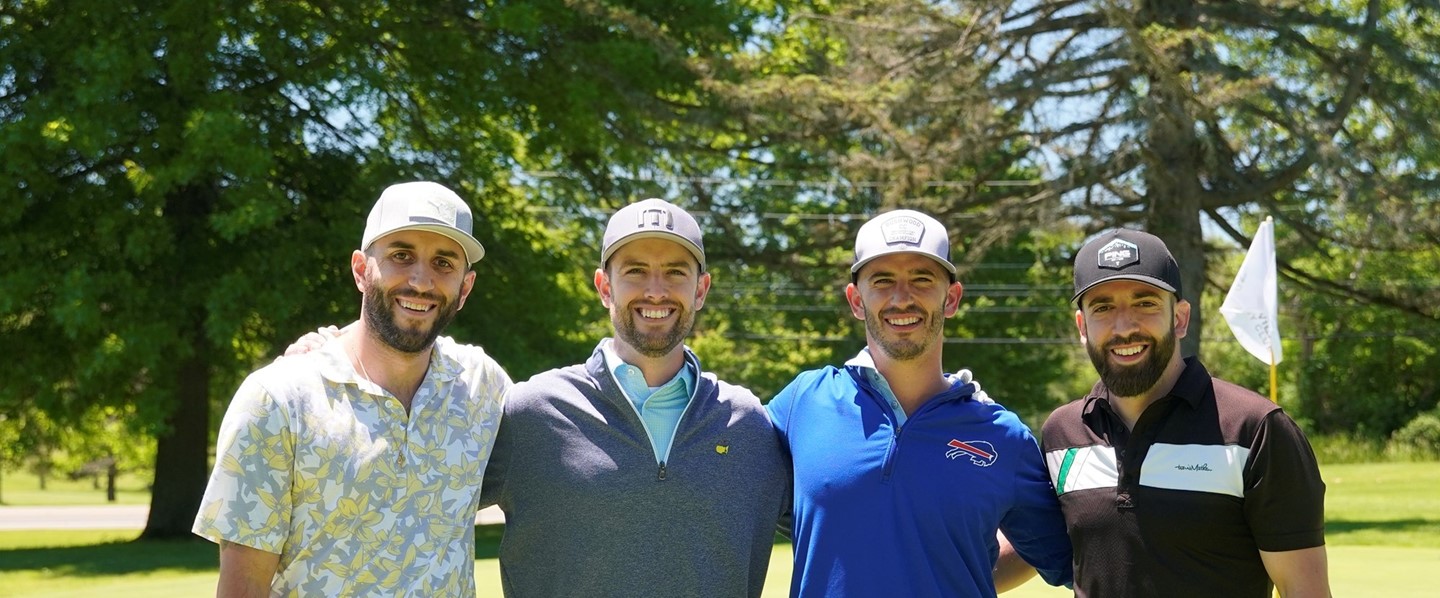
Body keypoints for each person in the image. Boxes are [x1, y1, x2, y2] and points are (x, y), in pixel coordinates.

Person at [192, 181, 513, 596]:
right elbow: (243, 588)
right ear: (361, 270)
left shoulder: (483, 386)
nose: (421, 279)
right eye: (401, 255)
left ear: (465, 288)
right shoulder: (280, 398)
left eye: (444, 263)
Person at [477, 198, 790, 597]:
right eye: (636, 271)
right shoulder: (531, 413)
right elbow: (418, 505)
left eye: (675, 272)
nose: (655, 291)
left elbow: (844, 523)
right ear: (605, 287)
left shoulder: (749, 424)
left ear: (701, 290)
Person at [765, 210, 1073, 597]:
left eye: (922, 279)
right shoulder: (801, 403)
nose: (902, 297)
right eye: (882, 280)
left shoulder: (1003, 437)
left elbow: (1064, 555)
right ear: (856, 300)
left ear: (952, 298)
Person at [1042, 229, 1330, 597]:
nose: (1124, 326)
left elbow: (1304, 590)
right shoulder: (1061, 435)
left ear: (1179, 319)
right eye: (1103, 307)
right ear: (1082, 327)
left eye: (1145, 303)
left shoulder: (1255, 429)